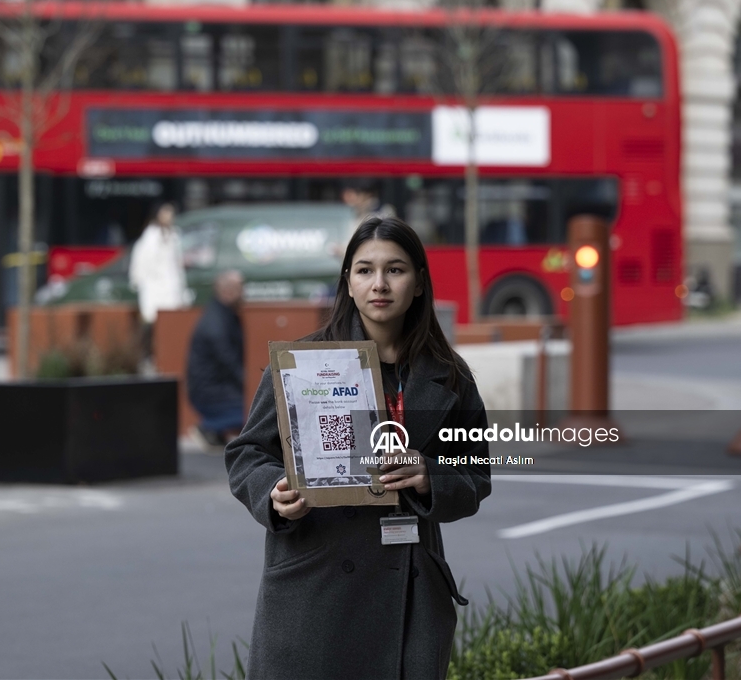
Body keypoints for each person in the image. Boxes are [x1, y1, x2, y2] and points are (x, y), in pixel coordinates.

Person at [225, 216, 492, 680]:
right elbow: (247, 453)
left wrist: (432, 476)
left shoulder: (450, 374)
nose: (380, 284)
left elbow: (477, 476)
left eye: (396, 269)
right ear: (347, 283)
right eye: (365, 270)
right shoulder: (302, 364)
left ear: (420, 283)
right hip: (316, 589)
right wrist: (273, 493)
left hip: (410, 593)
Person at [187, 270, 245, 451]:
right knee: (255, 411)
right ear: (227, 291)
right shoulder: (216, 322)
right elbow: (228, 360)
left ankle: (215, 431)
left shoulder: (223, 315)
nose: (244, 293)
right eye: (240, 288)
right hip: (210, 391)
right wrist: (251, 385)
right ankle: (209, 427)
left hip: (215, 387)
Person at [128, 203, 188, 361]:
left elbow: (177, 265)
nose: (169, 217)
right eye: (166, 213)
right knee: (151, 324)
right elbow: (140, 265)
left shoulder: (174, 235)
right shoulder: (149, 238)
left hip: (171, 287)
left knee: (171, 325)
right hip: (154, 288)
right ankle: (147, 356)